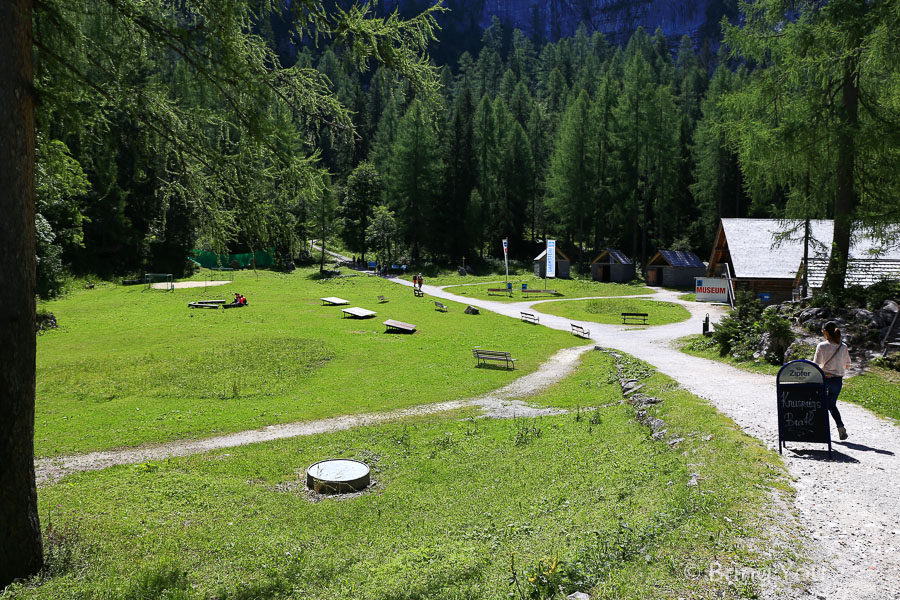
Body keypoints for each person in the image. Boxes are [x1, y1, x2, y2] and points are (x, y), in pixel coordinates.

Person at [812, 321, 851, 440]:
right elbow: (848, 365)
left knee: (817, 404)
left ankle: (816, 429)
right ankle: (840, 427)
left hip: (824, 379)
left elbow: (816, 364)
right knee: (831, 405)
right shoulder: (843, 346)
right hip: (837, 381)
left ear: (825, 332)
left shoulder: (822, 346)